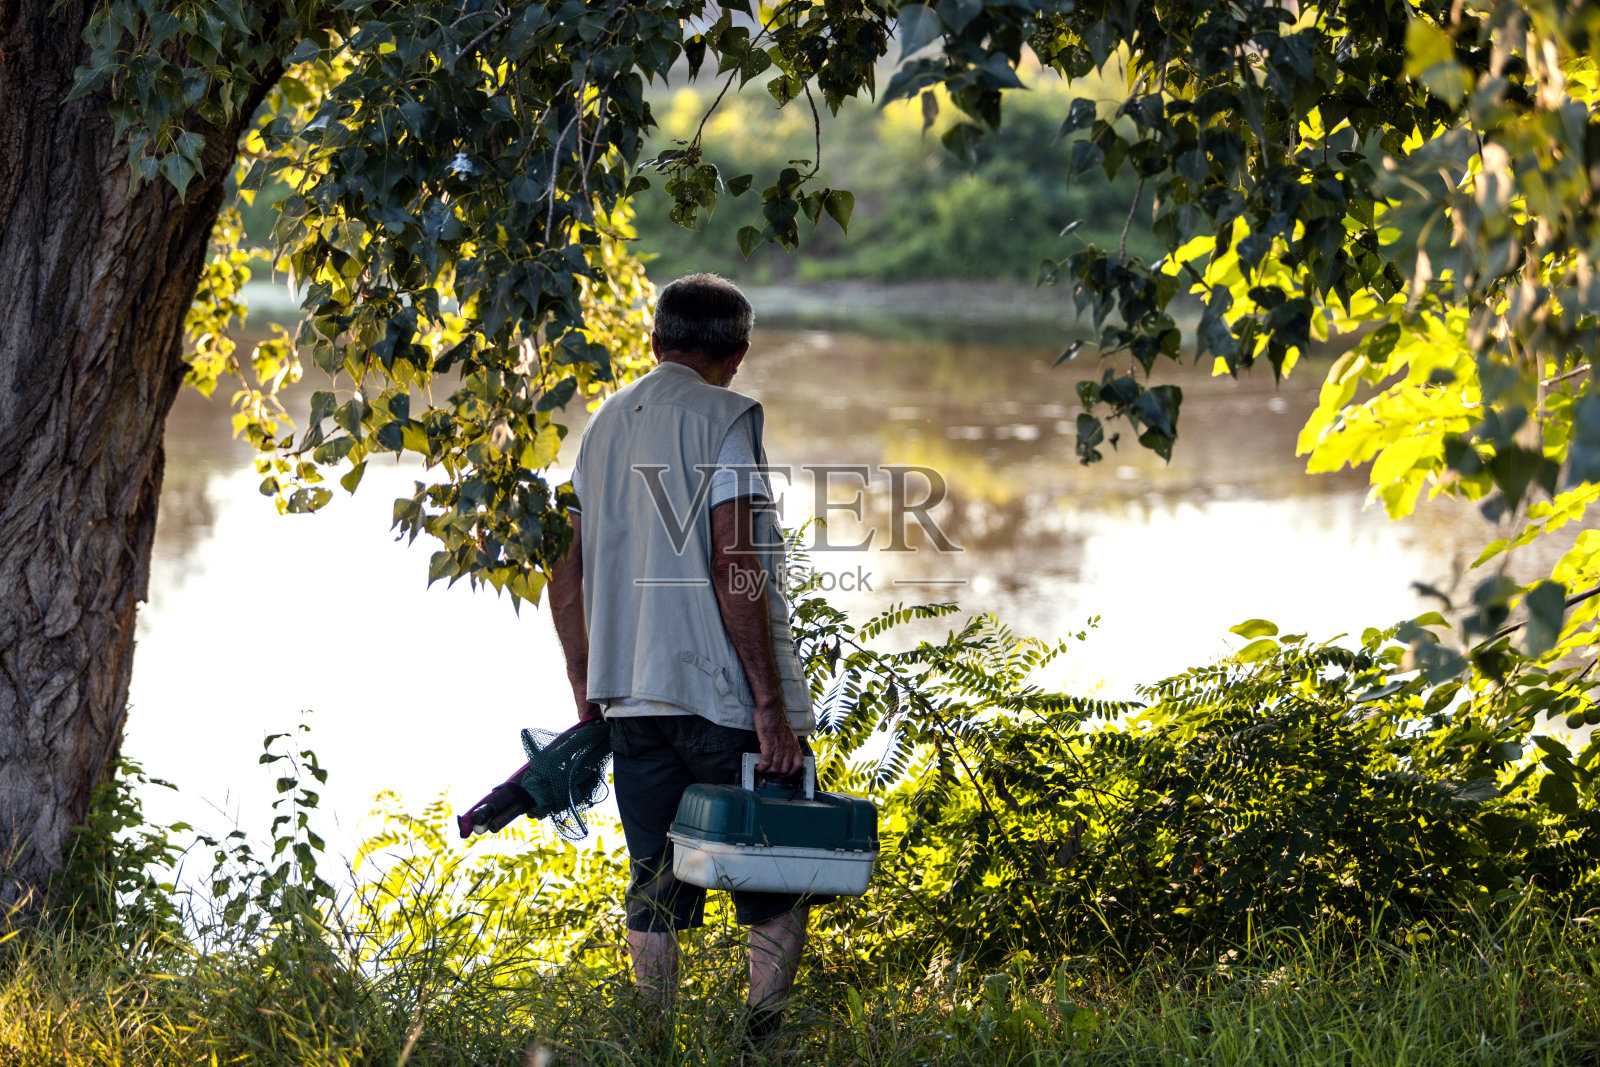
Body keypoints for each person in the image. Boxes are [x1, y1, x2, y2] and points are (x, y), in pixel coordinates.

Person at [546, 273, 816, 1045]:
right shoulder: (727, 415)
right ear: (736, 355)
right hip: (715, 693)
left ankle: (653, 1043)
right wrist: (769, 704)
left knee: (655, 882)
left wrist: (584, 678)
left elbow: (562, 561)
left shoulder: (601, 426)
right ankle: (757, 1043)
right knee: (775, 871)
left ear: (654, 343)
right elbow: (735, 557)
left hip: (628, 697)